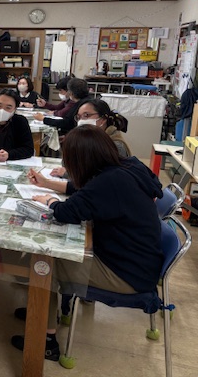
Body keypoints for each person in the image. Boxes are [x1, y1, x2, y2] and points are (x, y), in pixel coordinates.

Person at [12, 125, 163, 361]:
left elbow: (65, 212)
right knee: (51, 256)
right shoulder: (125, 167)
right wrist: (46, 183)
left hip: (126, 275)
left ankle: (45, 339)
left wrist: (49, 200)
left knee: (44, 262)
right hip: (140, 263)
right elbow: (81, 189)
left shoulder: (108, 183)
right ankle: (41, 309)